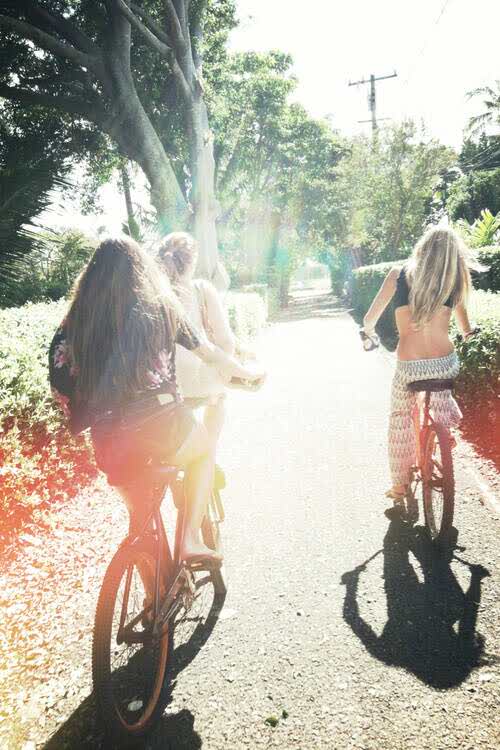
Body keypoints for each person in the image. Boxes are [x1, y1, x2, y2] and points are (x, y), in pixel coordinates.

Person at [48, 237, 264, 568]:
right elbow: (210, 354)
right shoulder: (160, 306)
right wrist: (247, 375)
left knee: (141, 527)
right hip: (162, 427)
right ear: (141, 269)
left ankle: (151, 588)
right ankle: (190, 540)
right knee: (204, 450)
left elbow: (60, 384)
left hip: (108, 442)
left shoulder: (74, 324)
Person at [361, 226, 482, 501]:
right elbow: (466, 329)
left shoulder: (398, 274)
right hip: (444, 363)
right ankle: (443, 430)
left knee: (400, 418)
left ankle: (400, 485)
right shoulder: (452, 281)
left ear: (422, 247)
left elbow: (370, 318)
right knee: (442, 387)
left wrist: (367, 331)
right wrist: (468, 333)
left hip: (410, 366)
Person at [158, 232, 235, 458]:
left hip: (165, 385)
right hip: (200, 378)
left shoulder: (153, 294)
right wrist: (226, 370)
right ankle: (207, 454)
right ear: (192, 262)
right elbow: (225, 340)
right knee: (218, 398)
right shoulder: (202, 289)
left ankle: (191, 454)